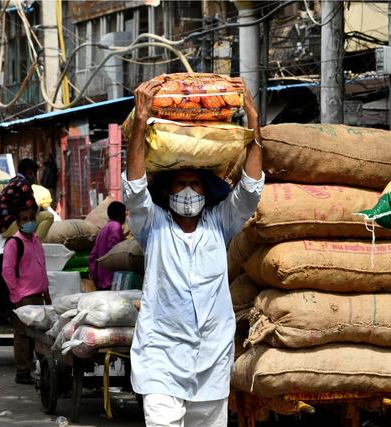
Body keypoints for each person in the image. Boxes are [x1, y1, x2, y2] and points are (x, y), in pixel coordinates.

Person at [123, 79, 263, 427]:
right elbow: (135, 189)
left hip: (211, 360)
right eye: (180, 184)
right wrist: (140, 124)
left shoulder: (220, 223)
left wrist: (253, 120)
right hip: (160, 359)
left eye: (195, 184)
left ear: (207, 190)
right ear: (167, 192)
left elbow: (249, 191)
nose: (188, 191)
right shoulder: (152, 226)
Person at [1, 198, 51, 385]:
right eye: (24, 219)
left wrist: (46, 292)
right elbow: (7, 271)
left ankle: (33, 369)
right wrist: (16, 296)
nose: (29, 221)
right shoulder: (14, 243)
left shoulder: (37, 241)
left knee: (37, 336)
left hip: (38, 296)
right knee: (22, 336)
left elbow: (42, 266)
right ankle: (22, 372)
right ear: (19, 222)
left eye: (31, 218)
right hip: (24, 298)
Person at [0, 158, 53, 241]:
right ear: (30, 172)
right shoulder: (24, 184)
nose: (35, 177)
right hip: (10, 226)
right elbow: (34, 208)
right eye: (35, 174)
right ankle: (34, 244)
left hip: (1, 227)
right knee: (48, 216)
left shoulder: (13, 181)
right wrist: (41, 208)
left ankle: (28, 241)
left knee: (30, 219)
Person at [88, 201, 127, 290]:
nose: (125, 216)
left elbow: (93, 255)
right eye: (124, 213)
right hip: (111, 278)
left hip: (102, 278)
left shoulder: (105, 228)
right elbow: (115, 250)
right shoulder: (115, 226)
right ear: (120, 215)